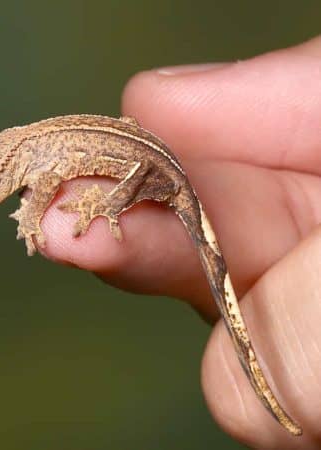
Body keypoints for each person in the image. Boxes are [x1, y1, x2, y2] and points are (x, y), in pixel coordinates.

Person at [40, 36, 321, 449]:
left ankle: (269, 392)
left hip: (153, 169)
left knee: (235, 325)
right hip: (150, 159)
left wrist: (106, 204)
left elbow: (64, 178)